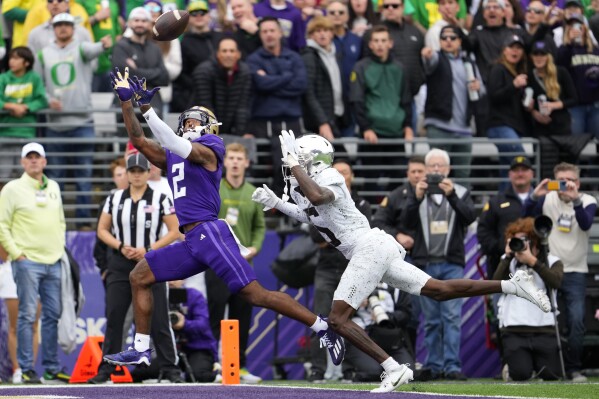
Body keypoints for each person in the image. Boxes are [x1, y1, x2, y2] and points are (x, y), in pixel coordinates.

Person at [251, 130, 551, 392]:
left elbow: (317, 198)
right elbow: (312, 215)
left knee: (338, 320)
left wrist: (294, 167)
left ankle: (394, 368)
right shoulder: (309, 182)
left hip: (368, 247)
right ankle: (512, 286)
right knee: (439, 290)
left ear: (312, 160)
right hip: (369, 249)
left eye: (297, 161)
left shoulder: (329, 177)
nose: (290, 167)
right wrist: (279, 203)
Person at [102, 67, 346, 386]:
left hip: (209, 232)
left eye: (195, 123)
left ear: (208, 128)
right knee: (140, 276)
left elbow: (175, 142)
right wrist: (125, 103)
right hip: (192, 239)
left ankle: (322, 327)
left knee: (256, 295)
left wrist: (147, 108)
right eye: (186, 122)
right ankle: (142, 349)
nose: (190, 126)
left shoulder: (211, 148)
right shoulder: (173, 154)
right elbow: (137, 140)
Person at [90, 152, 181, 384]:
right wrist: (121, 246)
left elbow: (174, 230)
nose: (137, 175)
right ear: (128, 174)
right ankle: (106, 368)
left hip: (151, 261)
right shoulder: (115, 198)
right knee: (115, 316)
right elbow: (102, 230)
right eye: (133, 171)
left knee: (160, 317)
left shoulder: (161, 197)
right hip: (121, 262)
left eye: (141, 170)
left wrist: (149, 248)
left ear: (148, 172)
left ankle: (170, 368)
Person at [522, 162, 597, 383]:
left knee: (576, 321)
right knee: (544, 318)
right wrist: (535, 197)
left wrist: (575, 200)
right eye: (561, 180)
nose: (565, 185)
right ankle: (547, 368)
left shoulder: (588, 200)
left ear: (578, 182)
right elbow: (525, 218)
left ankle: (574, 369)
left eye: (570, 180)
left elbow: (585, 224)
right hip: (549, 268)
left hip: (575, 270)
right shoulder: (548, 198)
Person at [0, 142, 69, 384]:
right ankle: (26, 369)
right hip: (27, 262)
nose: (33, 161)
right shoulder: (12, 189)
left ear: (45, 161)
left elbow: (60, 221)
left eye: (37, 157)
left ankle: (51, 367)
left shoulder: (54, 187)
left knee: (52, 315)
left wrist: (59, 247)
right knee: (27, 316)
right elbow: (2, 225)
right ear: (22, 162)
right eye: (28, 157)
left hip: (53, 260)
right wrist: (16, 253)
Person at [35, 13, 113, 226]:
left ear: (73, 28)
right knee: (55, 176)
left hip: (83, 122)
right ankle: (54, 220)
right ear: (53, 28)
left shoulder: (81, 47)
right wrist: (48, 99)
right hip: (55, 124)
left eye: (67, 25)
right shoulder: (43, 54)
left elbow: (95, 49)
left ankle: (83, 222)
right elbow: (38, 84)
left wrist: (104, 44)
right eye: (58, 25)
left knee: (84, 175)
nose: (62, 28)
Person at [204, 142, 265, 383]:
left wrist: (255, 248)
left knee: (242, 316)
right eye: (232, 158)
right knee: (214, 315)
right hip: (217, 263)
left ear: (247, 163)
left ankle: (240, 367)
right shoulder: (214, 187)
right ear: (225, 162)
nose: (236, 162)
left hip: (243, 265)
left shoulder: (253, 192)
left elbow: (260, 227)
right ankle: (213, 365)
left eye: (240, 158)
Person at [307, 159, 371, 383]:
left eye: (345, 171)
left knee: (347, 321)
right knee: (319, 319)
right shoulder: (318, 201)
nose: (341, 175)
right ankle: (316, 370)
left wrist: (332, 236)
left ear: (350, 176)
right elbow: (316, 236)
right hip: (326, 268)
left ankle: (349, 370)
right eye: (337, 171)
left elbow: (363, 236)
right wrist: (343, 236)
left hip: (351, 268)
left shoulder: (361, 203)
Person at [493, 217, 563, 381]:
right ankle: (512, 367)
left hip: (544, 328)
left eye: (526, 240)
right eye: (517, 240)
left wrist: (532, 261)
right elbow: (496, 284)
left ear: (536, 241)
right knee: (521, 375)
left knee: (551, 375)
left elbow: (556, 282)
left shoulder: (552, 261)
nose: (522, 244)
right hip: (514, 329)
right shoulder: (509, 262)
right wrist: (508, 256)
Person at [246, 17, 307, 195]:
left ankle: (293, 210)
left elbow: (300, 85)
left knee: (295, 167)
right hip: (263, 123)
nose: (269, 35)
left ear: (280, 33)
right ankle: (271, 208)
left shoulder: (294, 57)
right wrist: (287, 77)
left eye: (272, 30)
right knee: (265, 167)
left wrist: (270, 80)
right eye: (264, 31)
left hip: (292, 121)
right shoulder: (254, 59)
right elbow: (260, 85)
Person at [350, 25, 413, 194]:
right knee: (371, 180)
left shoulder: (400, 68)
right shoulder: (361, 67)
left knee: (399, 178)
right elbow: (357, 100)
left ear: (390, 43)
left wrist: (408, 126)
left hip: (396, 134)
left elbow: (406, 99)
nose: (380, 45)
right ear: (370, 44)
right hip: (372, 136)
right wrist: (366, 127)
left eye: (383, 40)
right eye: (376, 41)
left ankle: (394, 218)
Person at [421, 25, 485, 180]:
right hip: (439, 126)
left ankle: (461, 205)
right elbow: (429, 62)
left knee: (463, 176)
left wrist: (478, 87)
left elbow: (482, 91)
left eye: (452, 38)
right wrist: (426, 55)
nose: (448, 41)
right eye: (444, 38)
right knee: (436, 176)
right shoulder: (437, 58)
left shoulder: (468, 62)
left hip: (464, 129)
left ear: (460, 41)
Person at [342, 284, 414, 382]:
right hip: (363, 338)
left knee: (408, 372)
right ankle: (351, 370)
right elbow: (338, 314)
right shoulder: (355, 282)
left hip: (389, 338)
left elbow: (406, 314)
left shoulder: (397, 284)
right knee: (374, 372)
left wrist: (387, 317)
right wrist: (355, 304)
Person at [477, 156, 535, 280]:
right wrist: (502, 247)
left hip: (536, 269)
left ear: (531, 173)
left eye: (524, 170)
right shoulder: (496, 202)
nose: (520, 173)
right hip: (502, 269)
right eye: (516, 170)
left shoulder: (542, 200)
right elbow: (483, 232)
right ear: (509, 174)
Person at [0, 47, 48, 181]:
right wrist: (11, 106)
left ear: (26, 62)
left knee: (28, 176)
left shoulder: (34, 78)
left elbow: (42, 100)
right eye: (10, 58)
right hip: (5, 134)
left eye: (16, 58)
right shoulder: (3, 78)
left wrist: (26, 108)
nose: (11, 62)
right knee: (2, 177)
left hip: (27, 133)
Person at [486, 34, 528, 180]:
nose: (515, 51)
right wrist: (513, 85)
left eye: (518, 48)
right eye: (511, 47)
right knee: (522, 164)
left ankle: (504, 201)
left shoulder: (517, 72)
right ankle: (530, 201)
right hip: (499, 125)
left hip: (512, 126)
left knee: (508, 172)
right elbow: (493, 96)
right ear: (504, 50)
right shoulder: (498, 68)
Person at [171, 0, 223, 113]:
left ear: (209, 15)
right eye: (194, 14)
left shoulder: (220, 38)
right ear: (189, 19)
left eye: (202, 13)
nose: (198, 16)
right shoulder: (184, 42)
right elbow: (182, 74)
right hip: (197, 95)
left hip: (223, 93)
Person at [301, 16, 348, 141]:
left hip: (337, 116)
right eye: (318, 31)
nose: (322, 34)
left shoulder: (335, 55)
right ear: (311, 35)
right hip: (320, 122)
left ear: (332, 33)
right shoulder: (309, 57)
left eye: (326, 30)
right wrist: (322, 122)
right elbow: (308, 92)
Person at [193, 37, 252, 137]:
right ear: (218, 54)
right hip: (200, 128)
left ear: (238, 55)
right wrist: (214, 136)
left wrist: (239, 135)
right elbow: (206, 107)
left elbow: (242, 107)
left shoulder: (244, 72)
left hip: (229, 126)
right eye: (224, 51)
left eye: (232, 51)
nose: (228, 55)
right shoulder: (203, 71)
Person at [556, 13, 599, 138]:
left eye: (579, 25)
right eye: (571, 25)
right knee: (576, 144)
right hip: (576, 106)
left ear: (585, 28)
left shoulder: (596, 49)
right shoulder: (564, 49)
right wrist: (568, 43)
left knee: (596, 146)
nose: (575, 28)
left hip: (595, 104)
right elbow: (559, 68)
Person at [167, 280, 219, 382]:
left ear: (184, 279)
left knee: (198, 375)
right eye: (168, 277)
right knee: (146, 371)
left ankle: (217, 374)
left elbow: (203, 325)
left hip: (198, 348)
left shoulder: (194, 295)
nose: (171, 281)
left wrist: (184, 324)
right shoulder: (159, 298)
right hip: (170, 350)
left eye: (176, 277)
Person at [26, 0, 93, 56]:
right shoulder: (35, 33)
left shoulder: (82, 32)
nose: (55, 3)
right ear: (47, 5)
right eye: (50, 1)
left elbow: (92, 59)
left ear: (67, 4)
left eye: (60, 0)